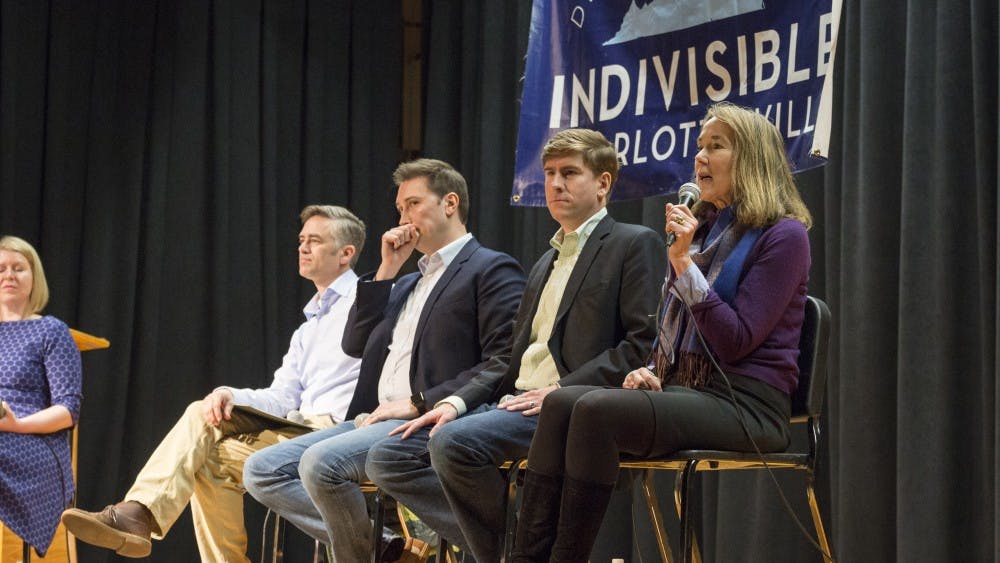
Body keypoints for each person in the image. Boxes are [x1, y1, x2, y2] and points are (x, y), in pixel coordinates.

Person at [510, 102, 814, 561]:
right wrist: (654, 369)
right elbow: (675, 329)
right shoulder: (707, 232)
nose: (700, 158)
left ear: (752, 158)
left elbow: (735, 339)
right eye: (699, 147)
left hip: (749, 405)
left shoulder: (784, 236)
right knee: (561, 402)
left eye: (716, 146)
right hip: (690, 392)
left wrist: (682, 264)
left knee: (594, 410)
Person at [366, 129, 667, 562]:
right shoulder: (545, 260)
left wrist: (564, 389)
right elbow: (507, 357)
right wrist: (454, 402)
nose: (556, 184)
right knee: (389, 457)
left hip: (570, 407)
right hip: (513, 400)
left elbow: (642, 344)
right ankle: (515, 551)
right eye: (548, 174)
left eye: (569, 173)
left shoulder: (633, 243)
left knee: (453, 445)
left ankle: (516, 552)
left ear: (603, 184)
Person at [243, 159, 525, 563]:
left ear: (450, 203)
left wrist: (423, 401)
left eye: (412, 204)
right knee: (262, 469)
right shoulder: (408, 281)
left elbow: (503, 360)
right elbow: (356, 343)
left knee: (321, 465)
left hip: (435, 418)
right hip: (375, 418)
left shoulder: (489, 267)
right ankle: (389, 547)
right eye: (399, 208)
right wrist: (388, 269)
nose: (403, 217)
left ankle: (490, 546)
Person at [61, 205, 367, 561]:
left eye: (315, 241)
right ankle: (137, 512)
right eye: (301, 240)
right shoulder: (308, 327)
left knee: (206, 454)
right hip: (299, 429)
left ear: (346, 254)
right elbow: (283, 395)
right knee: (206, 437)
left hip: (338, 434)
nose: (302, 247)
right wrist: (228, 395)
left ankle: (137, 513)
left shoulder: (367, 301)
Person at [0, 236, 82, 557]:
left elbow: (67, 410)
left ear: (34, 278)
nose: (9, 275)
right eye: (2, 268)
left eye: (18, 268)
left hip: (35, 442)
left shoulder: (50, 331)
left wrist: (16, 425)